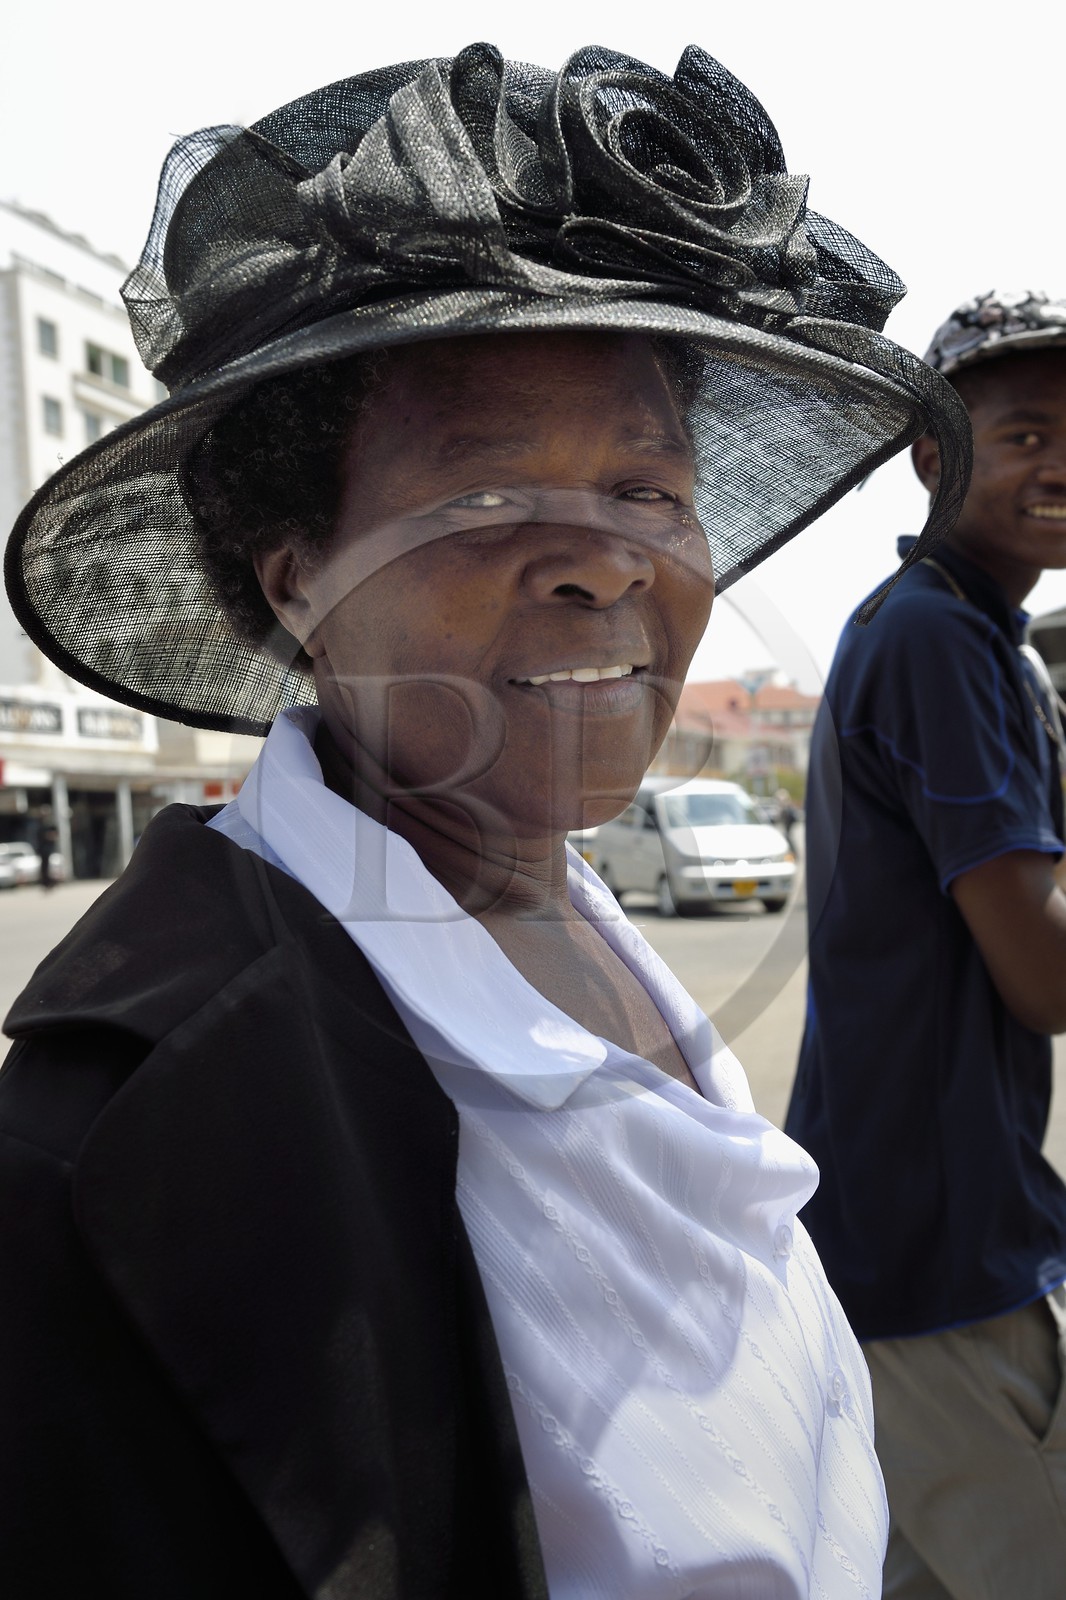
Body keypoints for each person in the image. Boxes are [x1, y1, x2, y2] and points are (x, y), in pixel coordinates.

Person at [0, 45, 968, 1598]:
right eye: (477, 495)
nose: (601, 564)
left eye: (650, 490)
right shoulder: (119, 1158)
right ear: (294, 573)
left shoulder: (580, 927)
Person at [785, 289, 1066, 1598]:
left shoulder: (970, 636)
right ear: (932, 451)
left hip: (919, 1227)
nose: (1057, 463)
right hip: (936, 1244)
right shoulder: (938, 639)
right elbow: (1043, 973)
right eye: (1022, 431)